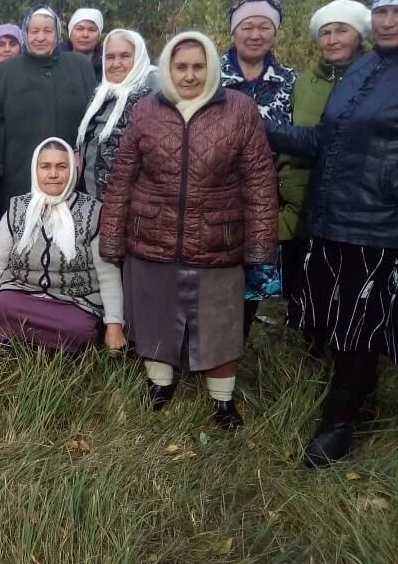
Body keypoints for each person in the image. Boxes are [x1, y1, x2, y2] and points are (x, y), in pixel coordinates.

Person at [100, 31, 277, 429]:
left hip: (218, 237)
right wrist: (111, 237)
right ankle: (159, 387)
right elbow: (123, 177)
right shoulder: (146, 110)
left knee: (219, 324)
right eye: (181, 66)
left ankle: (222, 402)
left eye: (198, 66)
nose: (190, 75)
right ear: (167, 68)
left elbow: (259, 182)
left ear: (211, 67)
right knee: (155, 317)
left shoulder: (239, 110)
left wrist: (261, 246)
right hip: (152, 235)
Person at [262, 0, 398, 467]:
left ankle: (337, 426)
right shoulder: (363, 69)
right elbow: (323, 141)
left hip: (378, 224)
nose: (387, 21)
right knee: (337, 322)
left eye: (395, 12)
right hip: (331, 216)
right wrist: (262, 127)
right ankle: (354, 404)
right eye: (381, 12)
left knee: (363, 324)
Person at [0, 137, 124, 351]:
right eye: (45, 166)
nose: (53, 174)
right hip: (22, 294)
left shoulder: (93, 211)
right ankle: (44, 345)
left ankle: (27, 343)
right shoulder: (18, 208)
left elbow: (108, 274)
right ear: (35, 170)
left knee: (79, 328)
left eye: (61, 166)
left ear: (72, 170)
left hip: (73, 302)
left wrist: (114, 325)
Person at [276, 0, 371, 298]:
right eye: (325, 32)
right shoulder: (305, 82)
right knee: (300, 284)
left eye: (341, 31)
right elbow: (293, 126)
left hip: (352, 200)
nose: (332, 40)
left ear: (358, 35)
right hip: (299, 199)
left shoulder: (375, 78)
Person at [219, 0, 297, 334]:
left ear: (275, 32)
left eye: (264, 26)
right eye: (247, 26)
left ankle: (240, 341)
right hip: (214, 191)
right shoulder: (209, 73)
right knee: (213, 268)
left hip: (265, 197)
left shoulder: (290, 81)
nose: (255, 34)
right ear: (234, 31)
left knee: (254, 269)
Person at [0, 6, 97, 214]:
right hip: (19, 171)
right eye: (34, 31)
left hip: (70, 173)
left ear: (57, 34)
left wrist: (84, 155)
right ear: (26, 34)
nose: (40, 37)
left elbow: (93, 117)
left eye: (47, 31)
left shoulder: (80, 67)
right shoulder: (6, 71)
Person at [74, 29, 157, 200]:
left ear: (139, 58)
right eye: (110, 57)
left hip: (131, 205)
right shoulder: (99, 96)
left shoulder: (151, 100)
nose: (116, 63)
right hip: (91, 202)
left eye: (125, 56)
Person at [64, 8, 104, 79]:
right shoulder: (55, 62)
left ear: (99, 36)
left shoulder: (107, 66)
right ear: (70, 33)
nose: (85, 35)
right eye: (80, 29)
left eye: (92, 30)